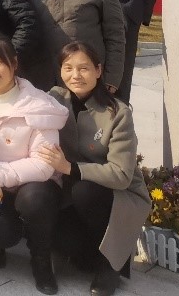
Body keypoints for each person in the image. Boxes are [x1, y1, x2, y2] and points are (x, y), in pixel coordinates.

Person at [0, 34, 68, 295]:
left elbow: (43, 165)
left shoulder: (40, 105)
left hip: (33, 184)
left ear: (14, 63)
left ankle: (41, 261)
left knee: (35, 199)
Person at [37, 42, 149, 296]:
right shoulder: (54, 98)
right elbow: (18, 98)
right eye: (68, 68)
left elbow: (121, 175)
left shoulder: (117, 113)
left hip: (116, 194)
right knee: (68, 243)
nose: (75, 75)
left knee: (84, 190)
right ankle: (90, 254)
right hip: (73, 194)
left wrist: (71, 168)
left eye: (84, 68)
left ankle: (111, 265)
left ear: (98, 70)